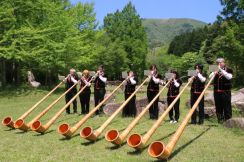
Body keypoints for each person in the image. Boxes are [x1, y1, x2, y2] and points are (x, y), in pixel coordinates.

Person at [210, 58, 233, 123]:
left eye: (220, 62)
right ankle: (220, 121)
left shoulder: (229, 69)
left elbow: (229, 77)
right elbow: (210, 78)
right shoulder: (214, 69)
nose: (219, 64)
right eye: (217, 63)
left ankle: (228, 120)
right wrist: (213, 73)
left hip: (226, 91)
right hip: (217, 91)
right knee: (218, 106)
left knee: (227, 106)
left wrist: (220, 70)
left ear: (224, 63)